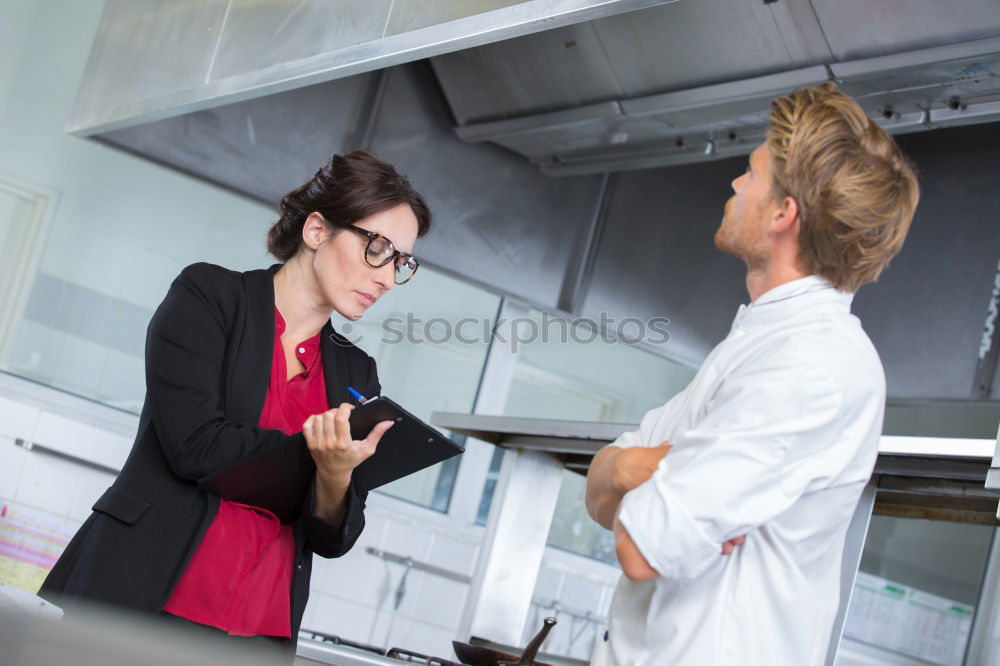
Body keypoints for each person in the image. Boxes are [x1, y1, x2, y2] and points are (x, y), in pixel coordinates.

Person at [39, 150, 431, 658]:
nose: (386, 277)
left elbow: (335, 537)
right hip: (138, 602)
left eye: (401, 262)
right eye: (377, 248)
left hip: (256, 633)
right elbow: (195, 445)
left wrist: (334, 480)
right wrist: (319, 463)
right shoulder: (209, 297)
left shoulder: (357, 371)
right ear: (316, 231)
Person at [585, 82, 919, 665]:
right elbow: (598, 492)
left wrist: (641, 480)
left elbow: (639, 548)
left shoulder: (811, 366)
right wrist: (637, 466)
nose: (736, 185)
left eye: (751, 173)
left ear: (784, 214)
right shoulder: (760, 343)